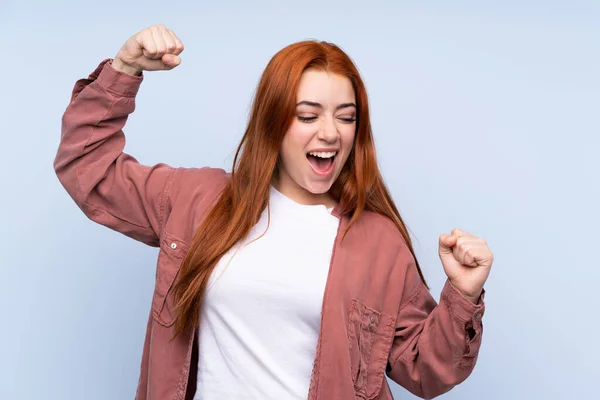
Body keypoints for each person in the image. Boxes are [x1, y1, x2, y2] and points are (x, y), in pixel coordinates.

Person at [54, 24, 494, 400]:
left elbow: (425, 369)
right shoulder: (195, 200)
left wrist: (463, 297)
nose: (330, 133)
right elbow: (88, 166)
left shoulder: (378, 242)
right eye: (308, 115)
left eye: (346, 117)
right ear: (273, 122)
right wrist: (124, 67)